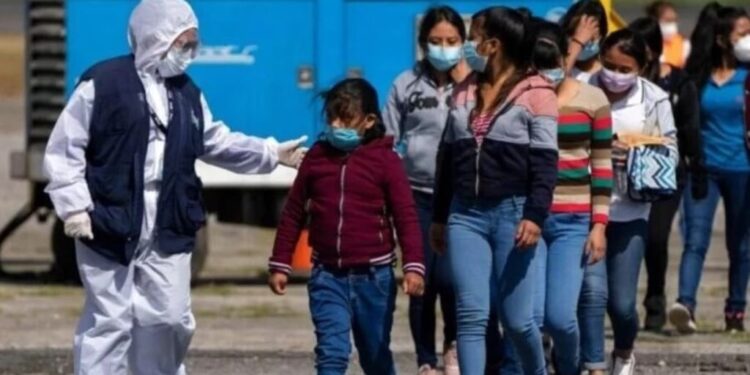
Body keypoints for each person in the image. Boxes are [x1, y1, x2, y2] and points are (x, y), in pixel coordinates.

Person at [42, 0, 308, 373]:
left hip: (170, 215)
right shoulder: (101, 84)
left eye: (193, 43)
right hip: (108, 217)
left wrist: (270, 153)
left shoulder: (187, 93)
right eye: (184, 42)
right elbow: (65, 148)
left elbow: (216, 141)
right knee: (111, 320)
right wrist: (73, 206)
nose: (190, 52)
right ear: (157, 35)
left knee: (169, 318)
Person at [430, 7, 559, 375]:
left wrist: (535, 215)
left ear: (493, 44)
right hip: (465, 215)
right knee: (470, 314)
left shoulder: (538, 93)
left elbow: (546, 163)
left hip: (514, 214)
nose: (468, 44)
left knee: (518, 321)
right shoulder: (463, 89)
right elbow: (447, 156)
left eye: (473, 36)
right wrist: (439, 217)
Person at [268, 78, 426, 375]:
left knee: (375, 355)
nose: (337, 124)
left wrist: (414, 265)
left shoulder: (386, 161)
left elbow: (405, 216)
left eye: (346, 118)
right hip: (328, 275)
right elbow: (293, 212)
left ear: (368, 121)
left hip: (374, 278)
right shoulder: (317, 157)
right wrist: (280, 262)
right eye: (331, 118)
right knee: (332, 354)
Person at [502, 19, 613, 375]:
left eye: (553, 61)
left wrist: (599, 225)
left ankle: (569, 367)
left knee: (561, 318)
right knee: (528, 319)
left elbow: (601, 165)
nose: (547, 72)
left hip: (572, 220)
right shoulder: (516, 96)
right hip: (527, 217)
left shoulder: (593, 99)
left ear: (567, 56)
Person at [584, 29, 678, 375]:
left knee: (621, 304)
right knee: (591, 298)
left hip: (631, 210)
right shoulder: (583, 86)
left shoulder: (654, 99)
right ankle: (592, 363)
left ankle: (623, 351)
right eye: (609, 65)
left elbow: (670, 149)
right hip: (585, 209)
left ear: (642, 66)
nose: (615, 74)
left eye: (625, 69)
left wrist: (636, 150)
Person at [382, 6, 469, 375]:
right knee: (422, 281)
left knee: (452, 278)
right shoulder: (405, 84)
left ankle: (454, 345)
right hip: (416, 194)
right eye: (436, 41)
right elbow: (388, 138)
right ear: (423, 43)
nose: (444, 48)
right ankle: (425, 359)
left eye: (451, 41)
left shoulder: (474, 85)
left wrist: (466, 82)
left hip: (460, 196)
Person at [669, 4, 750, 334]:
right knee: (695, 240)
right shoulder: (697, 79)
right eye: (742, 32)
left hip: (743, 171)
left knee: (741, 245)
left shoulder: (748, 78)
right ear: (722, 39)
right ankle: (685, 305)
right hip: (704, 170)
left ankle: (735, 311)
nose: (748, 38)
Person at [628, 17, 703, 333]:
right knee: (627, 240)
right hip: (624, 171)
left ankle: (655, 301)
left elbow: (689, 131)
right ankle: (618, 304)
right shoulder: (621, 83)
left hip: (664, 174)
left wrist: (697, 167)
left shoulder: (678, 84)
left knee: (657, 239)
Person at [560, 0, 608, 82]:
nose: (583, 40)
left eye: (588, 37)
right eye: (573, 34)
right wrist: (577, 43)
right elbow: (557, 80)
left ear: (601, 36)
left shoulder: (607, 77)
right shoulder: (554, 67)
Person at [645, 1, 691, 68]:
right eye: (668, 21)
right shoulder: (648, 45)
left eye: (674, 20)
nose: (672, 25)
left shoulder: (684, 43)